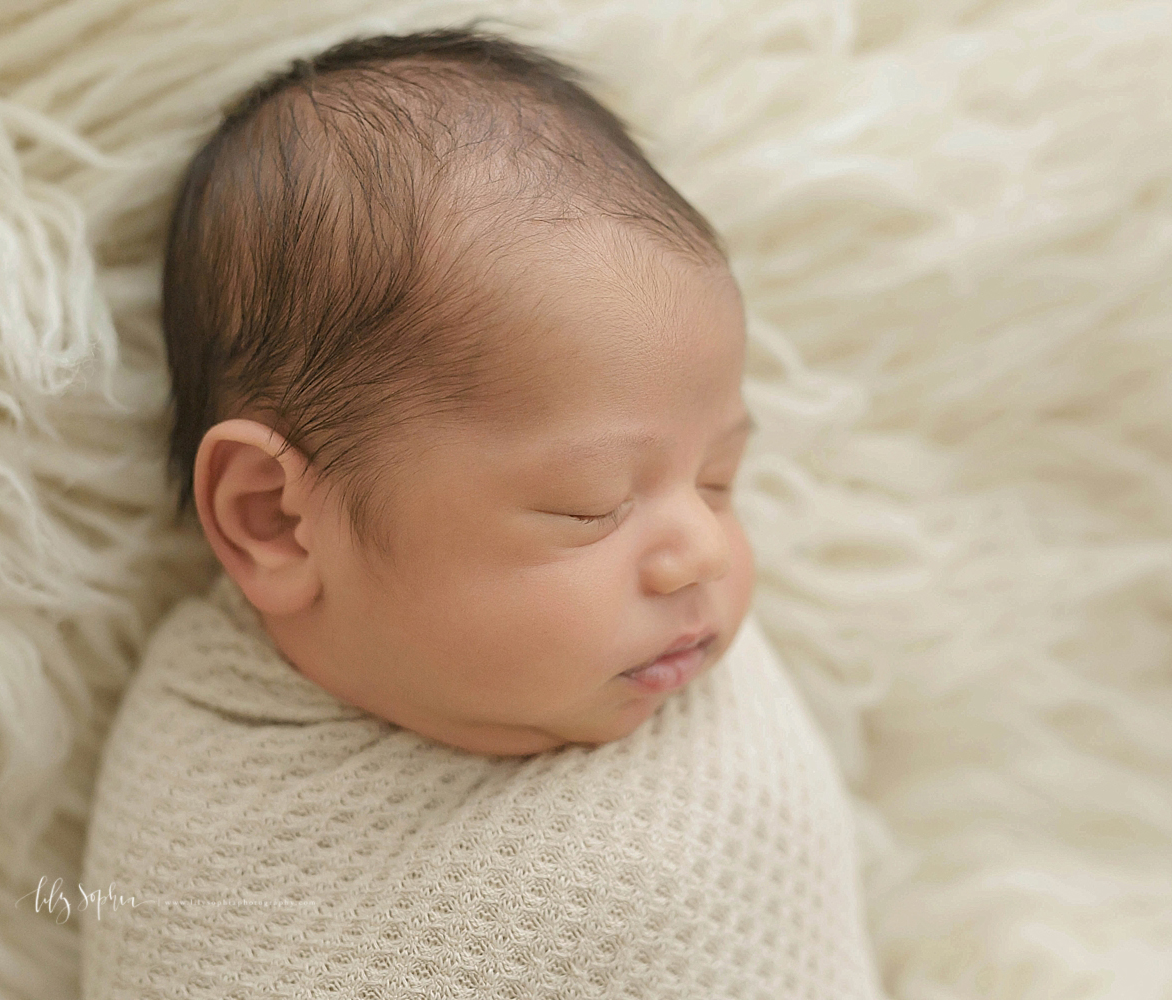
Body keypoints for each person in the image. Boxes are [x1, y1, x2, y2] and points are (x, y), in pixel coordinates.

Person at [81, 26, 886, 998]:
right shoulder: (212, 824)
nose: (704, 548)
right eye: (592, 507)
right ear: (277, 520)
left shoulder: (666, 667)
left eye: (720, 478)